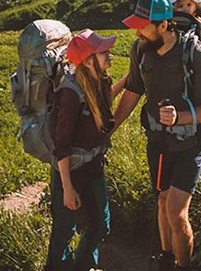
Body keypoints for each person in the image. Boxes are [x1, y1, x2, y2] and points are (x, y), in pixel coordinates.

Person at [113, 0, 201, 271]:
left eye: (142, 26)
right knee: (161, 200)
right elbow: (134, 91)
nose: (137, 31)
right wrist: (108, 129)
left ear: (163, 25)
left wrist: (179, 117)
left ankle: (183, 266)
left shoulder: (195, 53)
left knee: (176, 212)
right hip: (157, 142)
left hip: (189, 144)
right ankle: (166, 260)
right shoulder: (140, 49)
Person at [47, 28, 126, 271]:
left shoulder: (100, 81)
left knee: (101, 225)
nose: (109, 54)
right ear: (89, 60)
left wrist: (126, 81)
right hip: (70, 171)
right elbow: (61, 145)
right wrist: (68, 188)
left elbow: (98, 108)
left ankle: (81, 266)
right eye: (104, 52)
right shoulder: (70, 94)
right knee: (64, 231)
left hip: (93, 166)